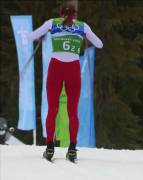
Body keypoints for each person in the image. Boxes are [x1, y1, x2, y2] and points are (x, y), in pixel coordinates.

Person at [29, 2, 103, 161]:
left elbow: (31, 36)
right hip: (73, 70)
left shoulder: (52, 23)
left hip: (56, 68)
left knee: (52, 109)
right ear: (75, 15)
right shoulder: (83, 26)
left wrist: (33, 34)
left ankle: (50, 147)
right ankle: (72, 149)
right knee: (72, 111)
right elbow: (99, 44)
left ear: (60, 13)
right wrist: (84, 35)